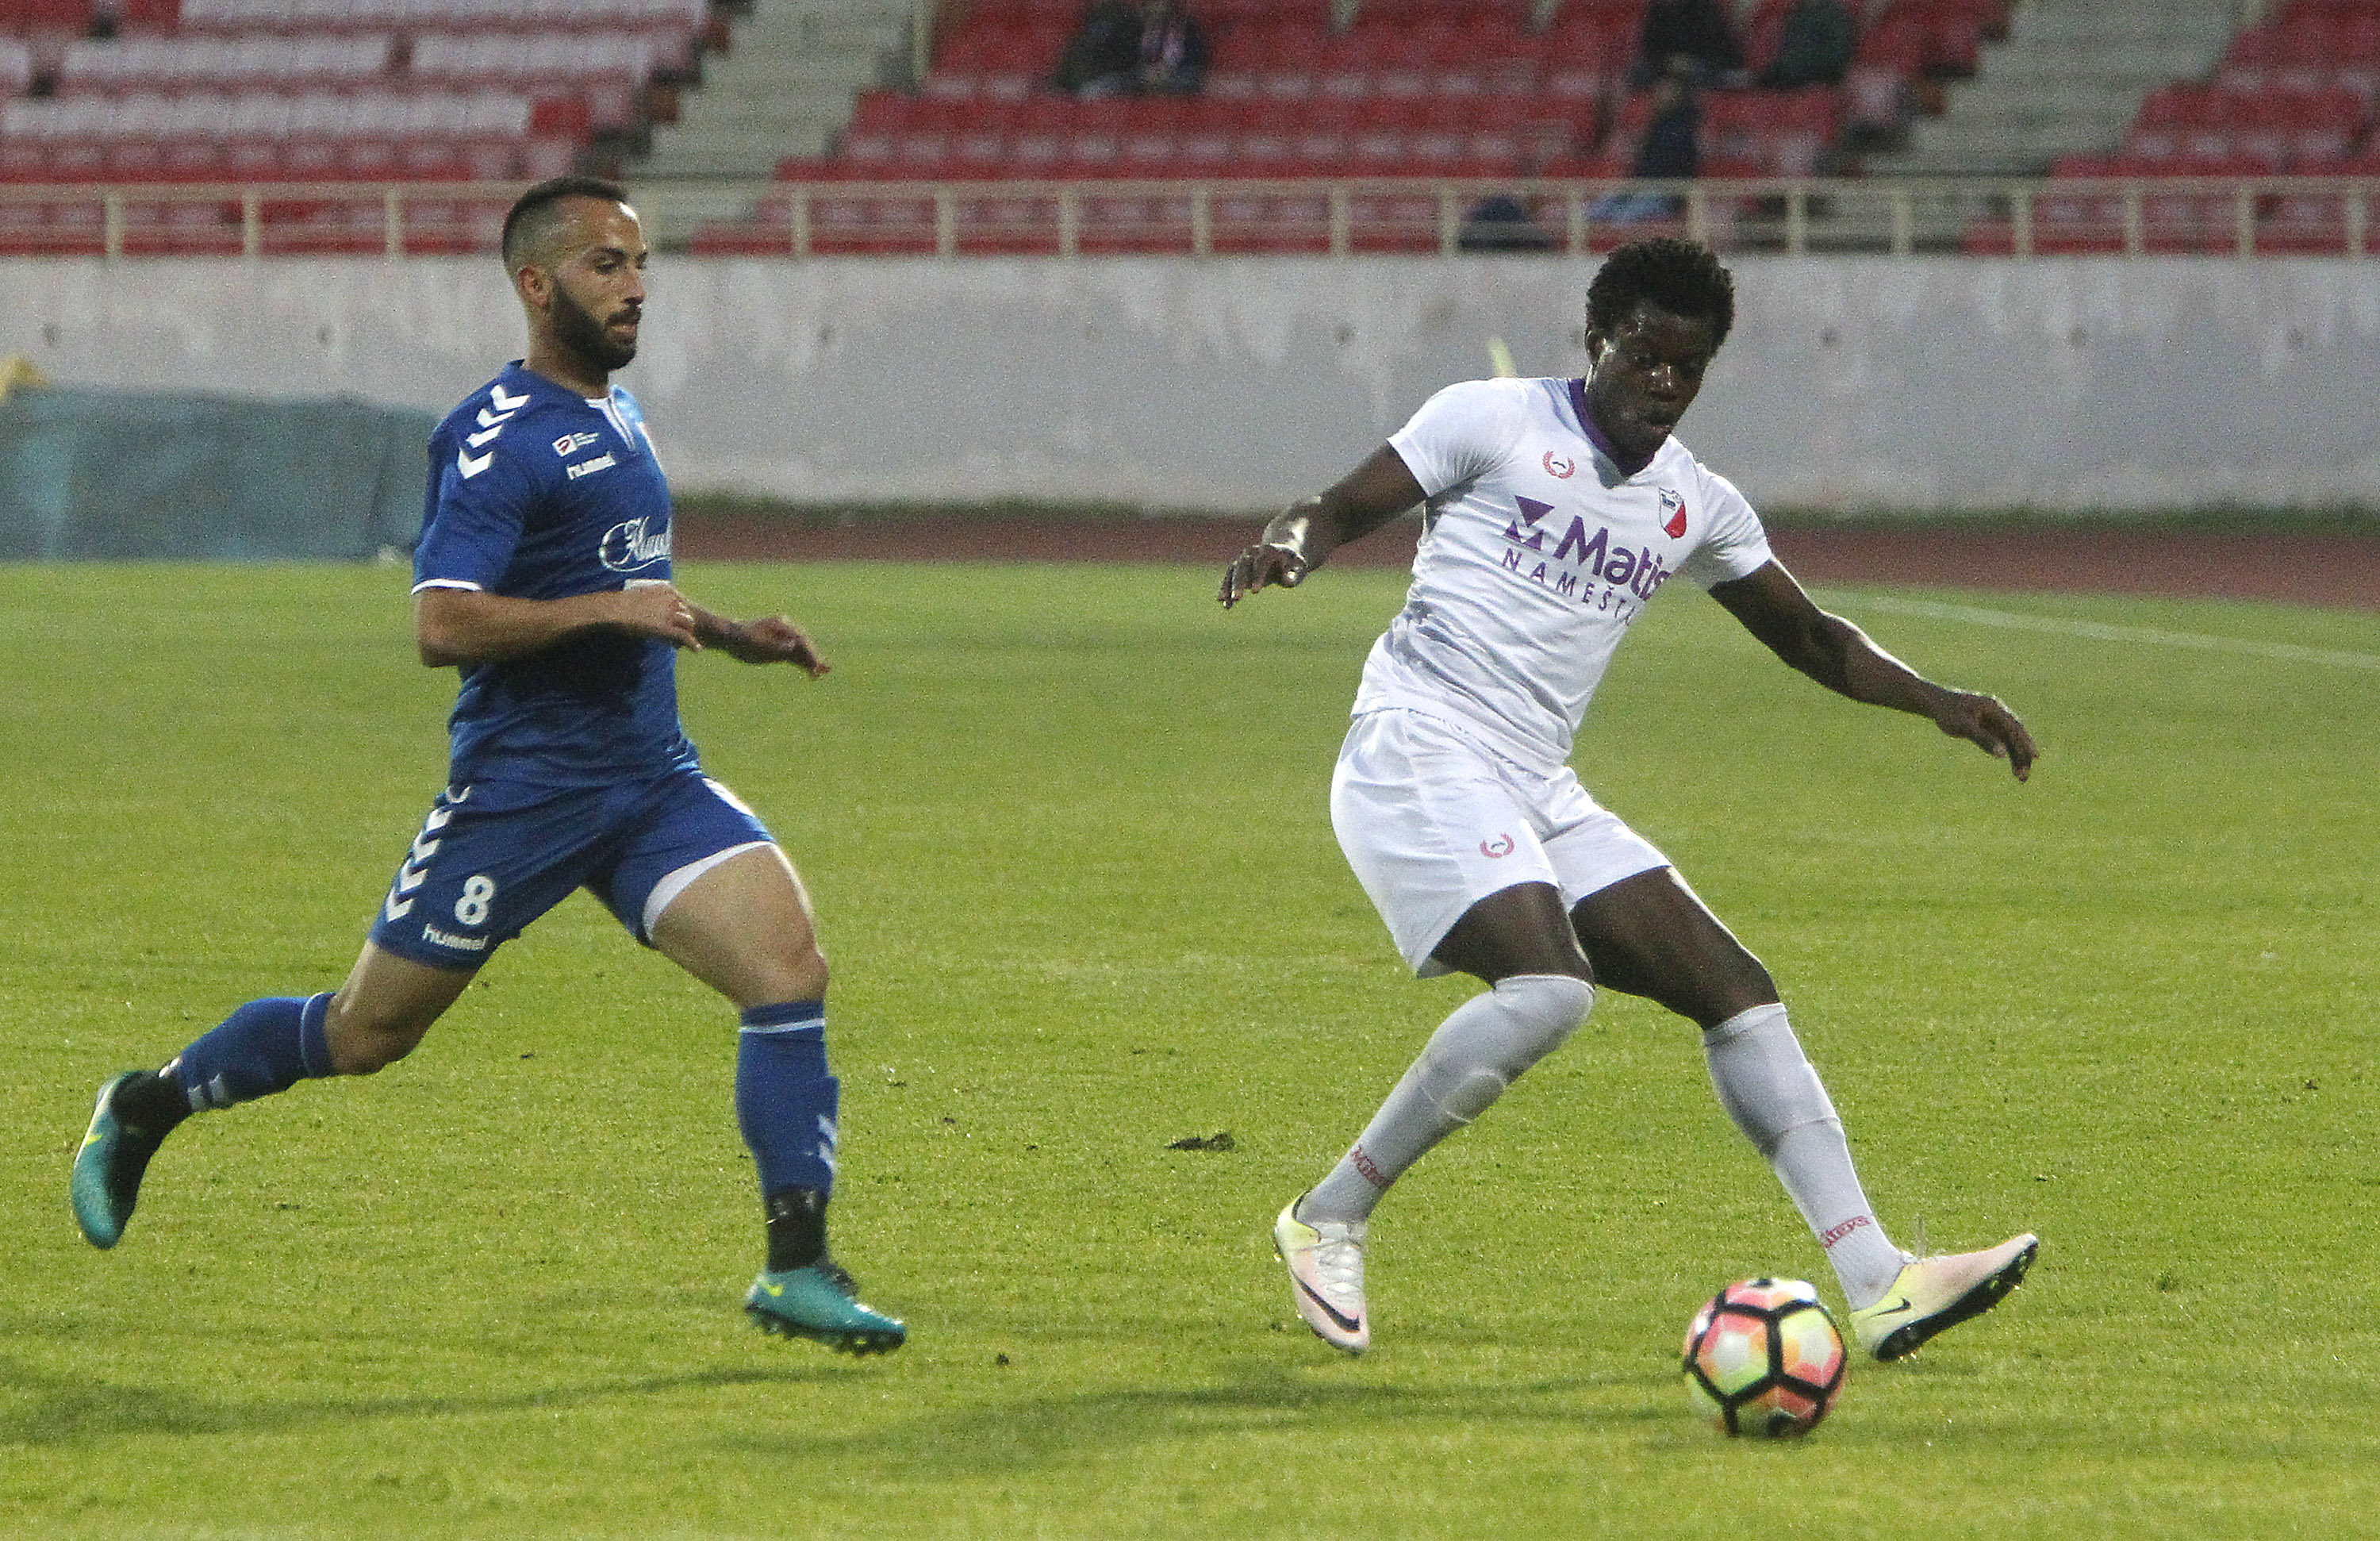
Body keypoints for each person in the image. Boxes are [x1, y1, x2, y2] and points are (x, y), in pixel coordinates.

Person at [69, 175, 905, 1358]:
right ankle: (146, 1103)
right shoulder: (494, 434)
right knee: (364, 1034)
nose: (636, 288)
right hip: (520, 794)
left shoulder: (617, 412)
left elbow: (621, 580)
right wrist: (607, 611)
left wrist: (725, 633)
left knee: (788, 968)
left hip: (648, 781)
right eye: (606, 266)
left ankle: (796, 1267)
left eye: (640, 263)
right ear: (536, 283)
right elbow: (442, 625)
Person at [1218, 237, 2040, 1362]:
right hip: (1417, 742)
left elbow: (1809, 637)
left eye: (1688, 367)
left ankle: (1880, 1278)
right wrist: (1289, 548)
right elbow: (1341, 503)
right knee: (1550, 987)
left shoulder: (1696, 501)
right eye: (1646, 354)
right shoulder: (1493, 418)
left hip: (1534, 776)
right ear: (1597, 341)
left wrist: (1938, 699)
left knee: (1738, 993)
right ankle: (1330, 1213)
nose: (1664, 381)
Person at [1591, 69, 1700, 225]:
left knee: (1622, 220)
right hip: (1639, 187)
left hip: (1666, 194)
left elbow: (1681, 169)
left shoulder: (1685, 128)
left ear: (1678, 95)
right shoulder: (1656, 125)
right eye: (1659, 90)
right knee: (1596, 210)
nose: (1660, 94)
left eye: (1667, 90)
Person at [1628, 0, 1743, 89]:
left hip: (1700, 66)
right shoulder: (1658, 11)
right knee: (1636, 73)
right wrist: (1669, 62)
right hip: (1665, 67)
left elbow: (1720, 50)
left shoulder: (1705, 9)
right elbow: (1650, 49)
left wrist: (1688, 62)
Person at [1757, 0, 1857, 90]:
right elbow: (1787, 54)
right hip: (1787, 79)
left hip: (1818, 84)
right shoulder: (1798, 13)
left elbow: (1837, 56)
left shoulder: (1836, 17)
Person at [1054, 0, 1142, 98]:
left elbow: (1127, 57)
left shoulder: (1126, 17)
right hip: (1092, 76)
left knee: (1089, 92)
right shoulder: (1093, 14)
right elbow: (1079, 50)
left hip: (1117, 76)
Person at [1134, 0, 1209, 95]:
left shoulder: (1187, 28)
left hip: (1179, 75)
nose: (1158, 7)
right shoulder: (1139, 27)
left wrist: (1168, 71)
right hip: (1147, 74)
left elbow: (1197, 60)